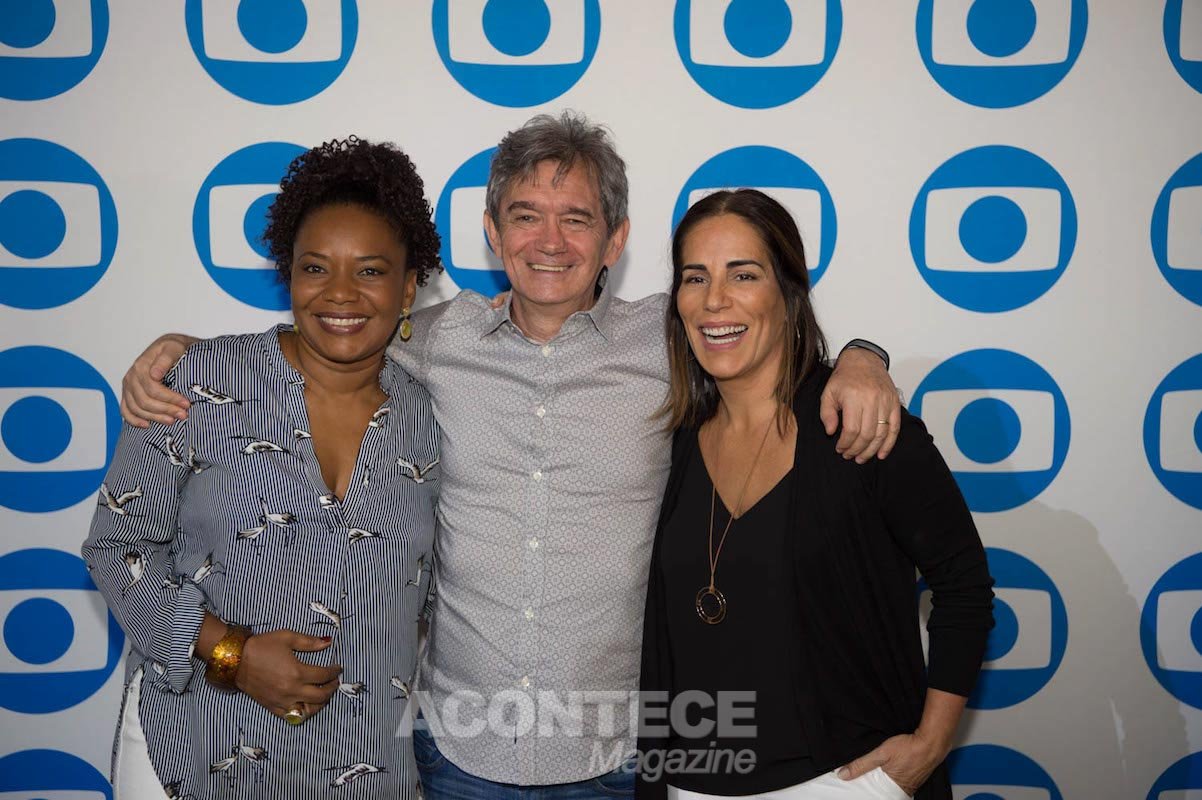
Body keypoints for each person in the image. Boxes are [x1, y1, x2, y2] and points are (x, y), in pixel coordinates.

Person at [120, 112, 902, 799]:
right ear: (494, 233)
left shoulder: (669, 340)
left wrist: (864, 358)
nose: (549, 242)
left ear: (616, 239)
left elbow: (763, 343)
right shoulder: (432, 340)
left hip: (613, 757)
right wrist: (189, 354)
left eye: (576, 219)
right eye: (526, 216)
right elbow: (333, 328)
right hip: (457, 754)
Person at [82, 137, 441, 799]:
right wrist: (232, 654)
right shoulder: (200, 381)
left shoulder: (430, 418)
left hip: (361, 764)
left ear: (409, 286)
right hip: (194, 744)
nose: (340, 293)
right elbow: (116, 547)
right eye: (315, 268)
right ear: (289, 275)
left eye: (369, 270)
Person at [636, 190, 994, 800]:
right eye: (695, 277)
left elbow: (964, 587)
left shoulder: (862, 429)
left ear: (789, 292)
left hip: (842, 781)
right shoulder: (674, 442)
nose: (714, 300)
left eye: (743, 274)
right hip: (692, 781)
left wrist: (929, 748)